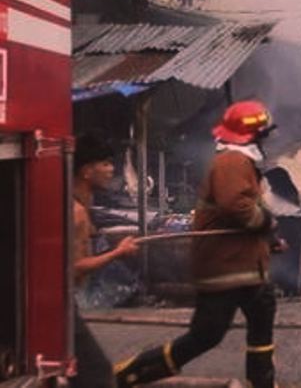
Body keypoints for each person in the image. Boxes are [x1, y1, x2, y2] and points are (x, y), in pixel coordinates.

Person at [114, 101, 281, 388]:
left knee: (261, 313)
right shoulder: (232, 161)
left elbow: (240, 213)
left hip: (241, 267)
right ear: (253, 136)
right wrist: (266, 222)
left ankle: (261, 382)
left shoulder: (240, 161)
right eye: (263, 134)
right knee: (206, 335)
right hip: (227, 269)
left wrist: (268, 241)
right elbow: (237, 207)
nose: (266, 139)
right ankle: (133, 373)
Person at [72, 134, 140, 387]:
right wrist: (118, 252)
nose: (112, 169)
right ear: (86, 171)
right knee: (97, 375)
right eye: (105, 163)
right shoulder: (76, 212)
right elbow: (74, 267)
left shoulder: (82, 205)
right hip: (59, 307)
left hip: (67, 304)